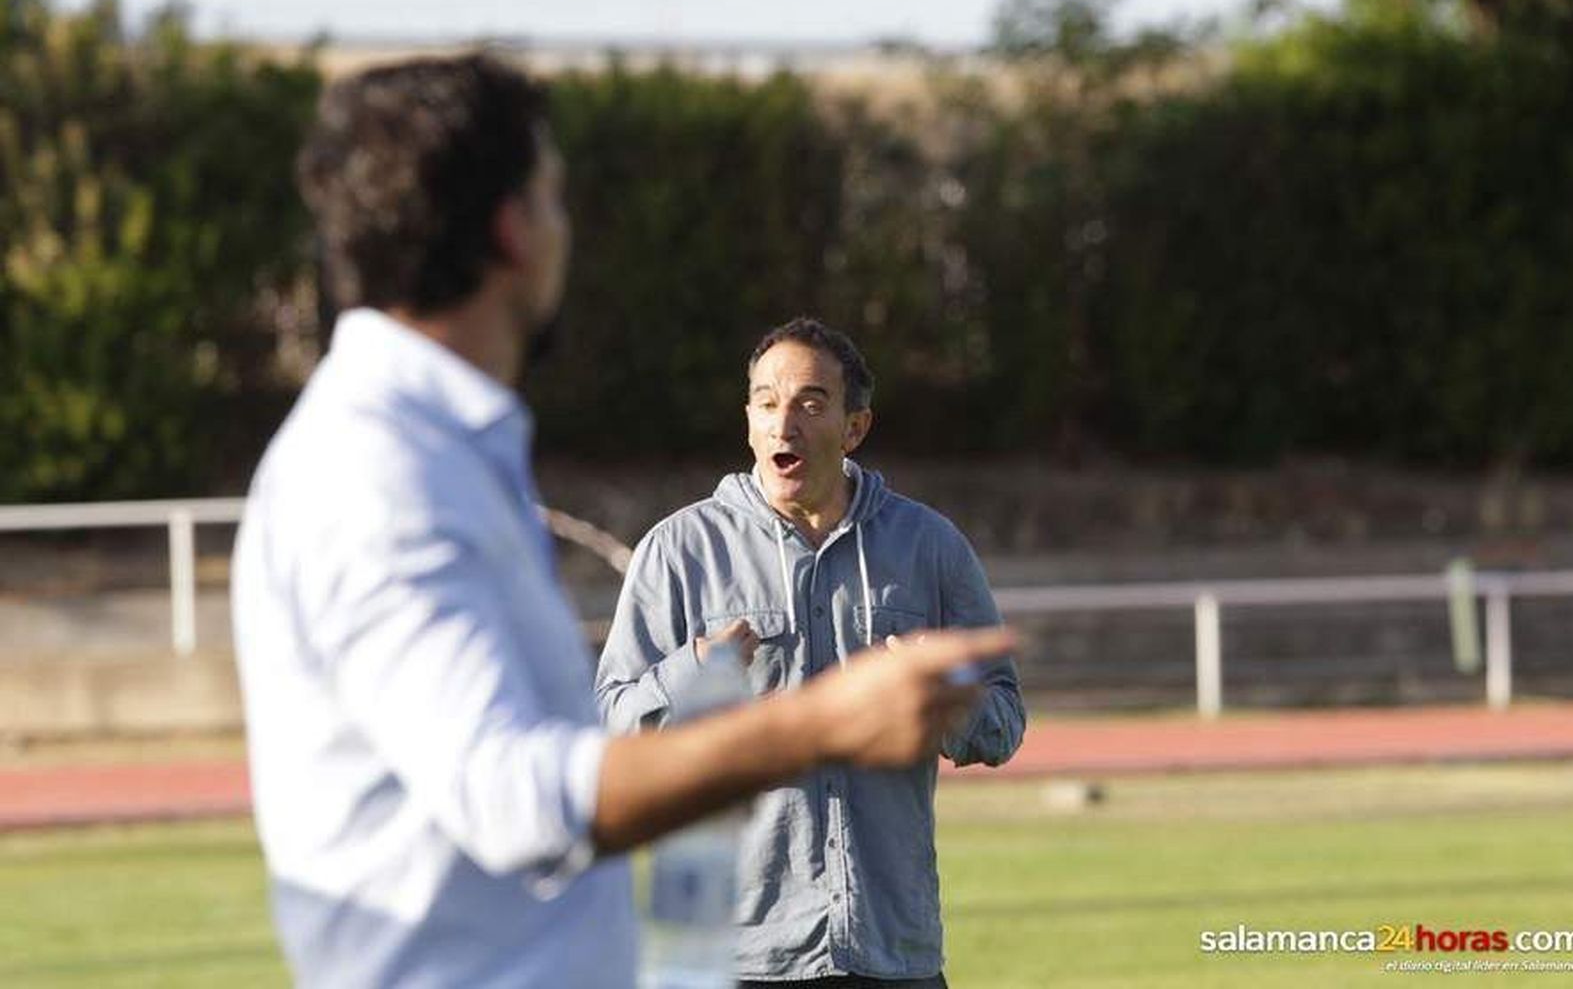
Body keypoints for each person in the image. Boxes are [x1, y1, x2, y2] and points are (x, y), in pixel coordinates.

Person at [230, 54, 1014, 989]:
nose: (569, 232)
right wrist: (814, 725)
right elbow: (517, 797)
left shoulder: (434, 450)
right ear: (513, 229)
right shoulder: (380, 470)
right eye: (556, 201)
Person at [594, 318, 1026, 988]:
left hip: (892, 951)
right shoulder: (678, 553)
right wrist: (690, 678)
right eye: (766, 402)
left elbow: (1004, 721)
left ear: (855, 428)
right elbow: (608, 737)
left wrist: (943, 695)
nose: (783, 422)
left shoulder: (929, 547)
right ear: (747, 421)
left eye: (810, 403)